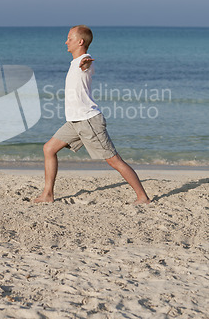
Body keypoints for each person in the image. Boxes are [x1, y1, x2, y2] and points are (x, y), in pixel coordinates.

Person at [34, 25, 150, 205]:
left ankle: (142, 197)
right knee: (49, 149)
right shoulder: (74, 62)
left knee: (114, 160)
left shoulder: (84, 61)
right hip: (74, 122)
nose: (66, 42)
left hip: (88, 121)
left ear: (80, 42)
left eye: (69, 38)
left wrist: (86, 61)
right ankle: (48, 195)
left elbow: (87, 63)